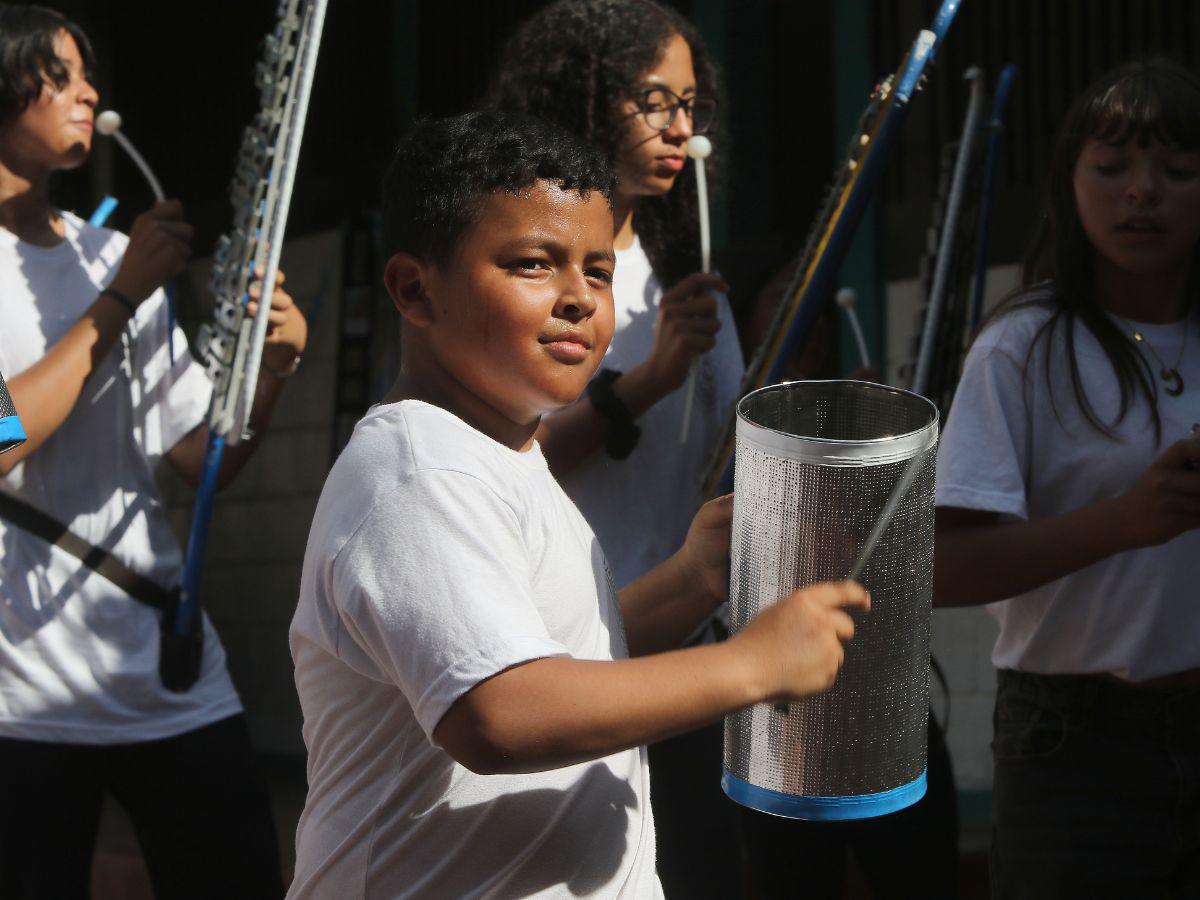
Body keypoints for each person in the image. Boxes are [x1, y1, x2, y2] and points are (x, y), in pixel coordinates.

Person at [287, 110, 870, 899]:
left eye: (597, 271)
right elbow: (502, 709)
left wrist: (694, 577)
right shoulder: (420, 470)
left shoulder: (504, 451)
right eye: (534, 263)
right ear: (415, 290)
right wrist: (750, 663)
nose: (579, 299)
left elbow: (559, 650)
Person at [0, 7, 307, 897]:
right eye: (56, 75)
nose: (87, 92)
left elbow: (194, 455)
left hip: (162, 661)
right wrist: (119, 299)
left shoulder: (107, 248)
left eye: (88, 74)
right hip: (22, 687)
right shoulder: (121, 271)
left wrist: (274, 366)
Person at [487, 5, 744, 892]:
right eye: (652, 100)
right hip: (575, 658)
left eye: (691, 104)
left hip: (692, 659)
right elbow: (496, 460)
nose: (680, 127)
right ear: (586, 102)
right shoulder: (534, 269)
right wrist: (642, 385)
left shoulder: (685, 276)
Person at [935, 59, 1200, 898]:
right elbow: (939, 567)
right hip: (1076, 748)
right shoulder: (1023, 346)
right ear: (1069, 183)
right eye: (1112, 167)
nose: (1143, 193)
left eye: (1177, 171)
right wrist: (1125, 521)